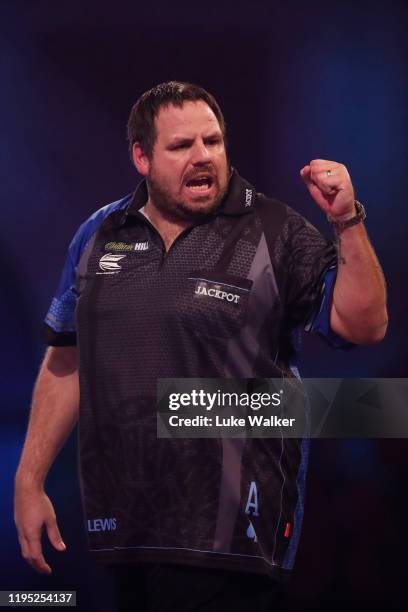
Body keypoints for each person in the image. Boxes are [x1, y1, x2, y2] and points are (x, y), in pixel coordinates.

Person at [14, 81, 388, 611]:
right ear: (142, 157)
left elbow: (363, 326)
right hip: (119, 530)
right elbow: (67, 360)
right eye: (182, 145)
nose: (203, 157)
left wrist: (345, 222)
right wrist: (29, 481)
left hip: (230, 535)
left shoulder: (275, 230)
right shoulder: (98, 233)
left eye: (212, 142)